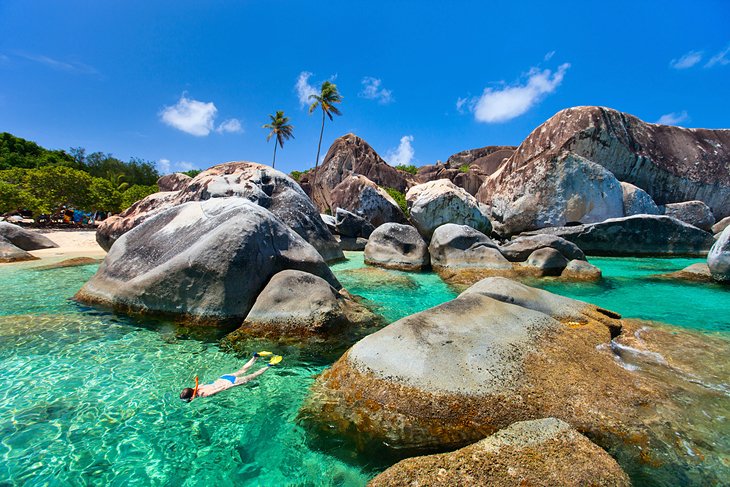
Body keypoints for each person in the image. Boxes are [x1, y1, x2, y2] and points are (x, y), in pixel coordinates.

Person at [180, 351, 281, 402]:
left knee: (253, 375)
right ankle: (255, 357)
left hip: (230, 382)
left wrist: (234, 386)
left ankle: (269, 365)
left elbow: (221, 388)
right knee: (243, 370)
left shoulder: (203, 394)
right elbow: (197, 387)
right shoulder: (199, 386)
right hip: (224, 377)